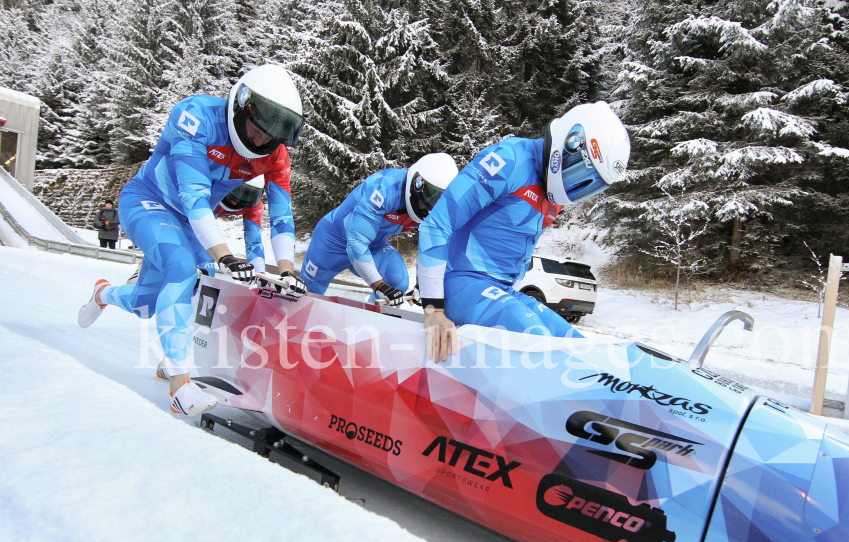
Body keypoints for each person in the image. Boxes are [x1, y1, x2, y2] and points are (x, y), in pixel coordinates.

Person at [77, 64, 307, 416]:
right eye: (255, 130)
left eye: (270, 137)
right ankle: (179, 386)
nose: (260, 141)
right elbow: (193, 196)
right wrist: (225, 255)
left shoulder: (276, 155)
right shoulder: (195, 115)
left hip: (190, 221)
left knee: (146, 304)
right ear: (239, 109)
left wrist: (288, 269)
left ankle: (104, 294)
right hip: (148, 201)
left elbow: (282, 216)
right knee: (185, 268)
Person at [417, 101, 630, 361]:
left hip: (502, 290)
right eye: (582, 174)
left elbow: (520, 248)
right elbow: (436, 224)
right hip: (460, 282)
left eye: (590, 186)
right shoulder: (509, 159)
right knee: (536, 339)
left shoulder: (555, 198)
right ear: (571, 144)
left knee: (580, 348)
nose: (579, 187)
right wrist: (433, 310)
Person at [299, 154, 458, 304]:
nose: (430, 210)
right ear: (416, 186)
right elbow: (356, 243)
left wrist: (421, 284)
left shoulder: (437, 211)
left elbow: (431, 248)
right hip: (332, 242)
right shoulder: (384, 187)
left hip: (373, 245)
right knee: (305, 298)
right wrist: (380, 286)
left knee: (397, 282)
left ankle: (368, 325)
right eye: (428, 201)